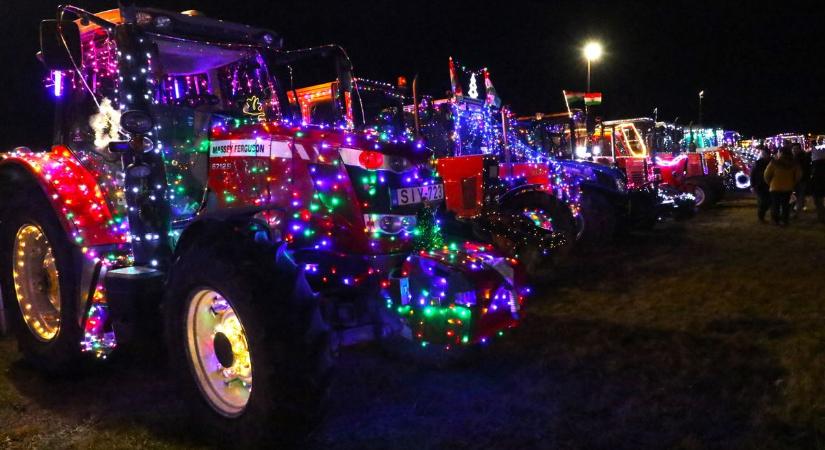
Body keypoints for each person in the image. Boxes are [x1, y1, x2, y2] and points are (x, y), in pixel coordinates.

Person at [764, 146, 802, 226]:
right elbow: (798, 175)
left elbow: (766, 175)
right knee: (785, 205)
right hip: (788, 188)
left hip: (775, 187)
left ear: (781, 153)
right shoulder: (794, 163)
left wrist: (770, 183)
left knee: (775, 205)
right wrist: (793, 182)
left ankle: (775, 220)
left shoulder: (774, 163)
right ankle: (785, 220)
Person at [750, 146, 772, 222]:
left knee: (769, 201)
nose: (762, 155)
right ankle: (761, 217)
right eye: (762, 153)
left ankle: (768, 216)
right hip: (759, 185)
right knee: (762, 202)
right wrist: (752, 185)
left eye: (764, 153)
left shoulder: (772, 162)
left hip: (770, 184)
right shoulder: (757, 163)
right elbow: (752, 174)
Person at [791, 143, 812, 217]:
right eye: (793, 149)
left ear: (799, 149)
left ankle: (797, 212)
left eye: (796, 149)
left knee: (799, 195)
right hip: (797, 180)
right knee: (798, 195)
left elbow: (805, 169)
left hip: (802, 179)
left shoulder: (802, 157)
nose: (794, 150)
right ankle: (799, 207)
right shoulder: (794, 157)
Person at [811, 138, 825, 224]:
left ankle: (821, 217)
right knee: (819, 202)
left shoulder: (816, 166)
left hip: (818, 185)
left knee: (818, 202)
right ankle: (821, 217)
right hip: (819, 185)